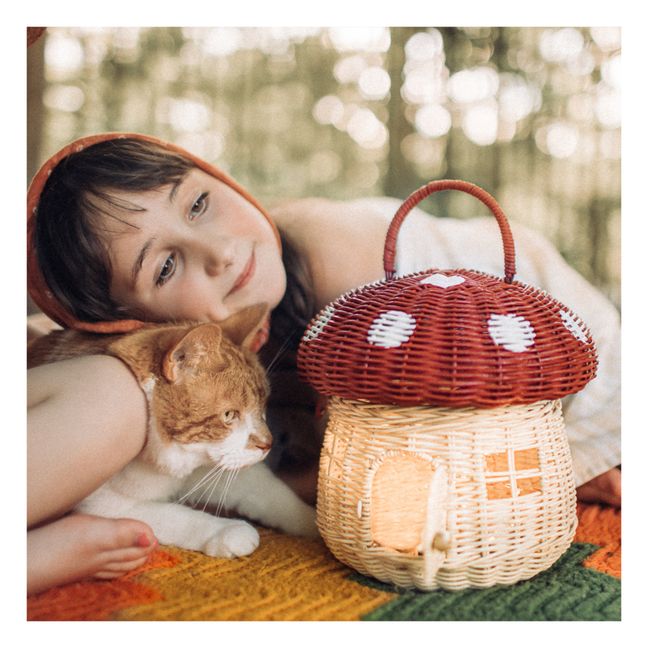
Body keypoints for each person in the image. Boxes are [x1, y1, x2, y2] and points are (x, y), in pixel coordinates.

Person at [27, 133, 621, 595]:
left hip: (554, 344)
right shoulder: (180, 364)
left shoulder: (342, 261)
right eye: (164, 267)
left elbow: (392, 473)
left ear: (221, 178)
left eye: (200, 203)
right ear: (130, 323)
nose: (222, 251)